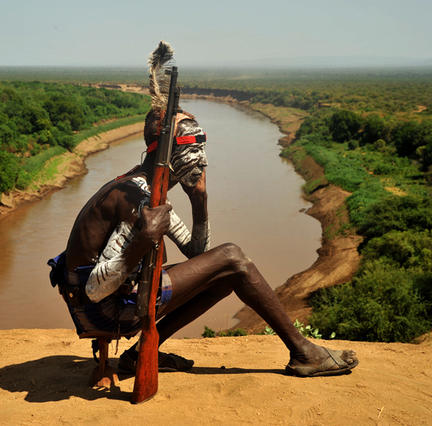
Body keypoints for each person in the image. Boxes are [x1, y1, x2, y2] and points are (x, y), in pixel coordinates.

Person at [51, 41, 358, 377]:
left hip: (110, 302)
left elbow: (199, 254)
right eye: (196, 147)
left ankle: (143, 351)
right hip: (104, 311)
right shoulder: (134, 199)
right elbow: (96, 289)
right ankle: (304, 352)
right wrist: (142, 241)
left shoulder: (147, 193)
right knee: (234, 257)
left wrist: (200, 199)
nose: (204, 158)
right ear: (173, 153)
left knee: (226, 273)